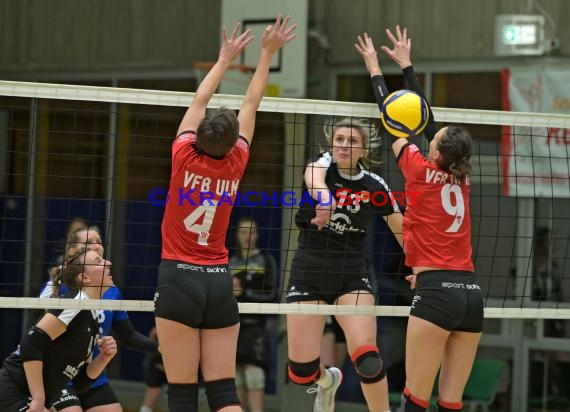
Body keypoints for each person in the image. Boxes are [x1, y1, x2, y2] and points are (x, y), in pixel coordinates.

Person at [153, 16, 296, 412]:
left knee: (182, 394)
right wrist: (267, 52)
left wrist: (224, 58)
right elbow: (252, 102)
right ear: (234, 142)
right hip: (220, 280)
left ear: (198, 135)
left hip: (178, 275)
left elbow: (198, 100)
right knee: (223, 393)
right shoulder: (238, 160)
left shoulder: (182, 155)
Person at [357, 26, 484, 411]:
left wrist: (376, 70)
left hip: (437, 294)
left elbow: (392, 117)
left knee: (415, 397)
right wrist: (408, 66)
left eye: (434, 138)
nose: (431, 133)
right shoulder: (463, 178)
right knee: (451, 402)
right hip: (471, 297)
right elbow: (431, 123)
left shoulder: (417, 167)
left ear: (437, 151)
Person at [285, 113, 404, 412]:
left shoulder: (374, 185)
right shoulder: (321, 165)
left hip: (351, 275)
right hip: (308, 272)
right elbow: (313, 178)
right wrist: (324, 201)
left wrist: (421, 269)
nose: (343, 145)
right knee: (300, 373)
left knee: (367, 359)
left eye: (352, 141)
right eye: (339, 139)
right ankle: (327, 381)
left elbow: (403, 231)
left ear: (364, 149)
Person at [41, 226, 159, 412]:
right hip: (61, 376)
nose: (96, 246)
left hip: (93, 376)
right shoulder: (60, 288)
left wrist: (161, 347)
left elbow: (127, 335)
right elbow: (38, 336)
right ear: (73, 252)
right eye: (89, 243)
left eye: (99, 241)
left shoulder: (111, 291)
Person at [0, 247, 118, 412]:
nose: (108, 263)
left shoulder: (91, 314)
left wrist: (104, 357)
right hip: (14, 387)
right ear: (84, 277)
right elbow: (31, 342)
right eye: (99, 261)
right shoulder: (76, 302)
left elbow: (80, 382)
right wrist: (38, 398)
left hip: (38, 392)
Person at [229, 216, 279, 412]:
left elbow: (273, 296)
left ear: (257, 234)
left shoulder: (266, 260)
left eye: (251, 231)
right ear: (237, 235)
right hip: (232, 326)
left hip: (256, 327)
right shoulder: (230, 262)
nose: (247, 236)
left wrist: (245, 294)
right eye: (243, 232)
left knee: (255, 376)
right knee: (236, 377)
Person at [139, 327, 166, 412]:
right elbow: (153, 334)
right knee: (156, 372)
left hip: (186, 366)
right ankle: (145, 409)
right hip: (162, 366)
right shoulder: (157, 332)